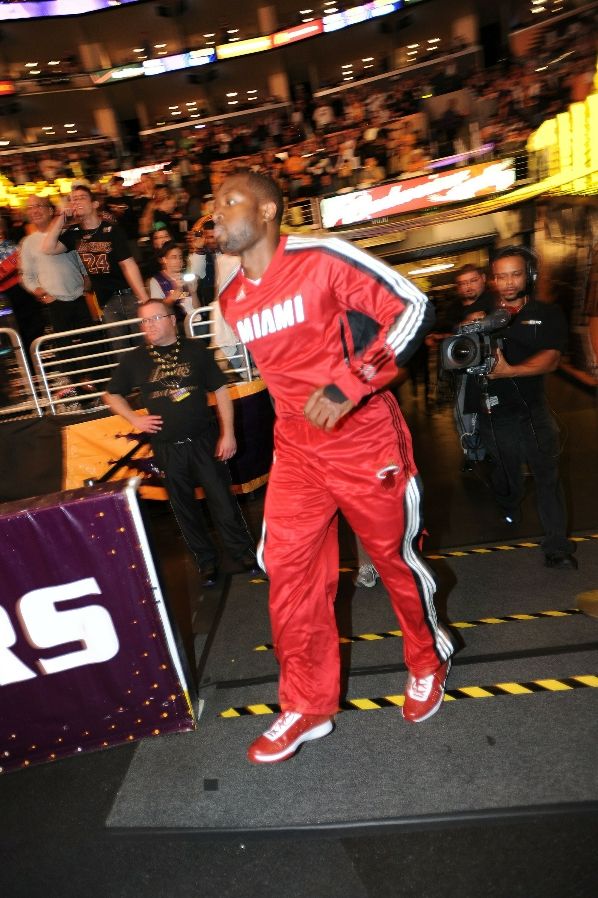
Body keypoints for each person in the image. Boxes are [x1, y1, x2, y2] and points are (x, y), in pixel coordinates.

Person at [214, 170, 455, 764]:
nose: (214, 214)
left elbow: (412, 306)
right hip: (296, 448)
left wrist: (350, 384)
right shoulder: (230, 301)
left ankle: (428, 658)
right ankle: (307, 704)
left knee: (392, 559)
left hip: (362, 435)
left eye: (228, 202)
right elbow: (284, 379)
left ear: (268, 210)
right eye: (213, 206)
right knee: (287, 571)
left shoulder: (321, 256)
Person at [103, 299, 258, 588]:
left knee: (223, 502)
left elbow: (221, 391)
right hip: (167, 447)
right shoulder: (135, 359)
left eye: (154, 319)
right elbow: (111, 395)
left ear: (171, 319)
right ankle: (206, 562)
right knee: (184, 508)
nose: (148, 326)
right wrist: (133, 420)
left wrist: (228, 434)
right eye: (144, 321)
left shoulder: (196, 351)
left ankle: (243, 553)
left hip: (204, 441)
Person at [476, 245, 577, 569]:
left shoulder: (547, 314)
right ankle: (509, 500)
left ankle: (557, 546)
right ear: (493, 280)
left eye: (515, 274)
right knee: (507, 479)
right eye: (501, 276)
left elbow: (551, 358)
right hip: (494, 413)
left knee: (547, 475)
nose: (508, 282)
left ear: (529, 276)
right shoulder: (482, 316)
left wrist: (511, 371)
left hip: (533, 408)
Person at [42, 185, 149, 351]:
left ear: (95, 204)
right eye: (73, 199)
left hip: (129, 295)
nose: (76, 201)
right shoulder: (74, 234)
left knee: (143, 343)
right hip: (107, 300)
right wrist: (62, 217)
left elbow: (128, 264)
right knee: (120, 349)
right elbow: (48, 248)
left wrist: (144, 300)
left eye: (81, 197)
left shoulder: (112, 230)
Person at [430, 264, 496, 469]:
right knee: (464, 412)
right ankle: (473, 453)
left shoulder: (494, 302)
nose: (468, 287)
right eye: (463, 283)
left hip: (494, 365)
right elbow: (439, 331)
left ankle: (502, 453)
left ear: (483, 279)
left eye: (472, 280)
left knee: (498, 410)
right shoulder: (454, 309)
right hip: (463, 369)